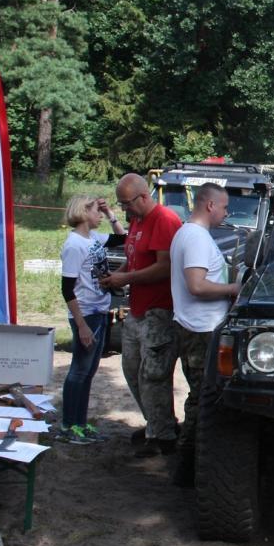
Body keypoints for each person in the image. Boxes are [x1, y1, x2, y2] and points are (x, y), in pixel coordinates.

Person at [100, 173, 183, 458]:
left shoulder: (164, 220)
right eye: (121, 204)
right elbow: (133, 258)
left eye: (126, 203)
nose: (124, 209)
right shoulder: (138, 220)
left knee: (154, 374)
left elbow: (165, 266)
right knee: (132, 369)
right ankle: (157, 423)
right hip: (137, 308)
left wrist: (126, 278)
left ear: (144, 196)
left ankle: (163, 436)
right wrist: (118, 274)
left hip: (158, 310)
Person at [169, 183, 240, 487]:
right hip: (201, 330)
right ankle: (187, 467)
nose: (226, 213)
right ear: (210, 205)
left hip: (197, 326)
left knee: (201, 397)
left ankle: (190, 465)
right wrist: (233, 289)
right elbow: (197, 285)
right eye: (224, 207)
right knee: (203, 399)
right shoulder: (196, 238)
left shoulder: (188, 234)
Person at [58, 195, 125, 445]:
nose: (100, 215)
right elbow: (67, 289)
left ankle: (80, 422)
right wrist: (82, 325)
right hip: (85, 314)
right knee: (79, 370)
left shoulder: (94, 238)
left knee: (88, 371)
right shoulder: (74, 245)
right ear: (84, 212)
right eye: (97, 211)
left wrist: (110, 214)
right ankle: (68, 426)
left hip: (100, 310)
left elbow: (123, 239)